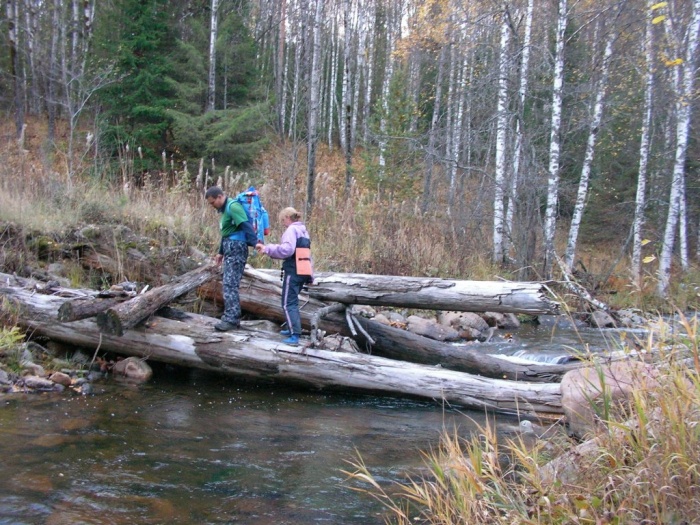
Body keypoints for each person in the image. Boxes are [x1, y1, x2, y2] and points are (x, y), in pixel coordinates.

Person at [255, 207, 313, 345]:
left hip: (293, 271)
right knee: (292, 301)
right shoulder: (304, 231)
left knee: (288, 303)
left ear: (287, 217)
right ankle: (290, 327)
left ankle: (295, 335)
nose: (283, 223)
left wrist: (267, 249)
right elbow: (307, 255)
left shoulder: (291, 230)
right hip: (303, 272)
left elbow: (287, 250)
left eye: (282, 220)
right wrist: (311, 275)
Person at [205, 186, 253, 332]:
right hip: (229, 248)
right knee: (228, 284)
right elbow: (227, 232)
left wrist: (256, 243)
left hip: (236, 249)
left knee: (230, 285)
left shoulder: (233, 207)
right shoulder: (225, 210)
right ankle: (231, 317)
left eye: (213, 202)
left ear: (220, 197)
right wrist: (221, 252)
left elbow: (246, 225)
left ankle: (231, 319)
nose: (212, 206)